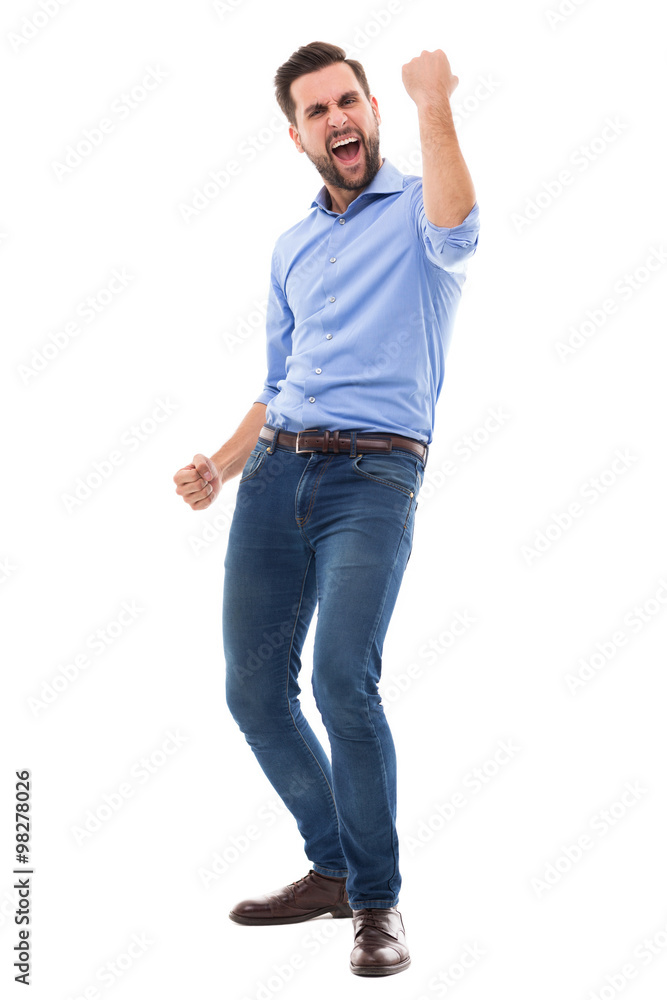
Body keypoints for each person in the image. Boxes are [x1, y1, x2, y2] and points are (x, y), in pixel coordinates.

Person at [173, 40, 480, 977]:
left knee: (344, 679)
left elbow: (460, 228)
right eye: (316, 110)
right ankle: (334, 868)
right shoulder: (291, 247)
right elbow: (278, 383)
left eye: (349, 100)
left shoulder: (421, 208)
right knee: (253, 692)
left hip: (374, 480)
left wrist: (433, 102)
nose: (337, 118)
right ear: (297, 135)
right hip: (275, 477)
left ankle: (376, 901)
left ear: (372, 111)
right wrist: (222, 465)